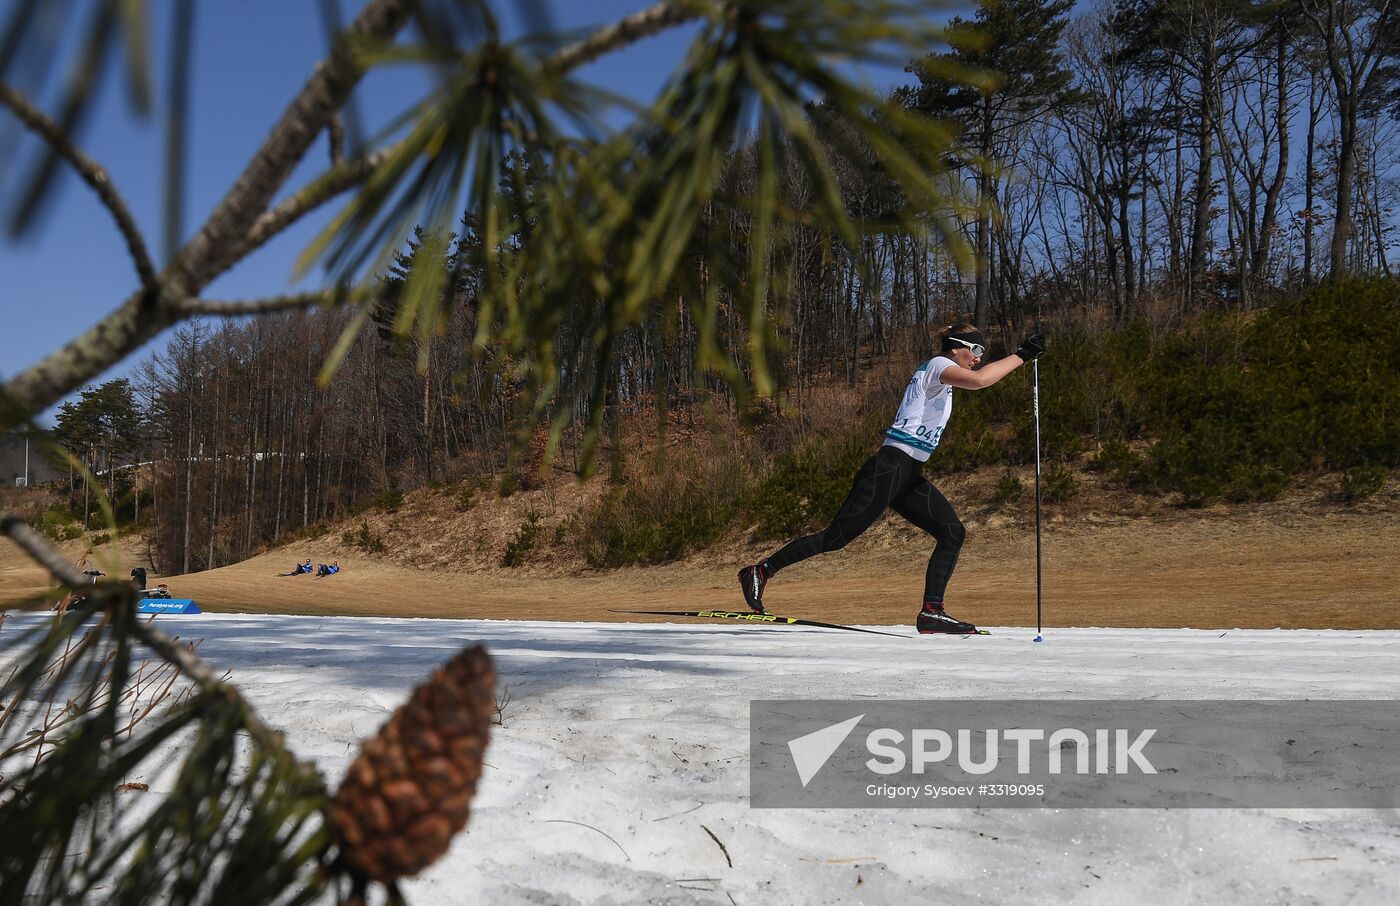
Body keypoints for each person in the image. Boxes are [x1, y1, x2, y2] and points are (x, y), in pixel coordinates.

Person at [737, 323, 1045, 634]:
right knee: (836, 539)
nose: (978, 357)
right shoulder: (940, 365)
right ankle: (761, 571)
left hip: (909, 473)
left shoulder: (945, 376)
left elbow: (978, 378)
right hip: (890, 466)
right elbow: (981, 381)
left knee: (952, 533)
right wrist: (1023, 354)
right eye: (975, 350)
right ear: (955, 347)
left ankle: (931, 612)